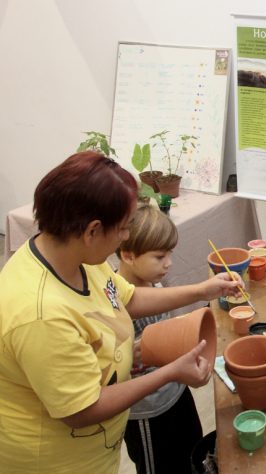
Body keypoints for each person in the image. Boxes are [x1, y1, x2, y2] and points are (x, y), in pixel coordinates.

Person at [0, 151, 241, 472]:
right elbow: (81, 409)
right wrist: (169, 372)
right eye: (124, 228)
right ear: (92, 231)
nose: (127, 237)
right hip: (58, 461)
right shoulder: (40, 312)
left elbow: (124, 298)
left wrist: (203, 290)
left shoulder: (73, 256)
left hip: (97, 449)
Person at [116, 204, 203, 473]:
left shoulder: (154, 284)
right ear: (128, 256)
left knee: (191, 453)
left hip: (176, 390)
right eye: (159, 256)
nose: (169, 263)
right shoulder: (118, 304)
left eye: (170, 254)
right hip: (148, 410)